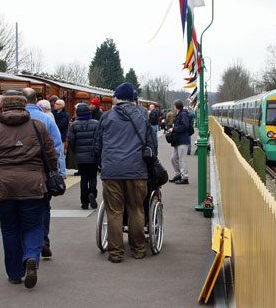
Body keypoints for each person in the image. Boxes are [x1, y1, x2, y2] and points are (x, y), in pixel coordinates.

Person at [0, 90, 57, 289]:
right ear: (24, 105)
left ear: (2, 106)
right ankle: (31, 256)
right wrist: (51, 176)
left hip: (3, 186)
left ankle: (15, 273)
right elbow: (51, 155)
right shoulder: (37, 126)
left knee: (10, 229)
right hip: (33, 184)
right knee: (33, 226)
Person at [95, 82, 156, 263]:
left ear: (117, 98)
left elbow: (97, 146)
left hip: (112, 172)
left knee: (114, 212)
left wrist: (102, 165)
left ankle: (116, 253)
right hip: (137, 172)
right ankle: (138, 249)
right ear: (132, 99)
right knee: (136, 209)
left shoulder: (106, 117)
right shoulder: (143, 117)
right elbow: (152, 146)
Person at [23, 88, 63, 259]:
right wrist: (58, 172)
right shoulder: (46, 119)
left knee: (20, 210)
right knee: (43, 207)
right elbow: (57, 147)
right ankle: (43, 240)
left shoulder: (7, 121)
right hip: (42, 173)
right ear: (35, 100)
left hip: (15, 175)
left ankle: (26, 247)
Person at [68, 103, 99, 210]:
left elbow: (71, 141)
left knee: (84, 179)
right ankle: (92, 193)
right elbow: (99, 139)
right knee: (93, 177)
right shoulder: (96, 123)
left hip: (80, 157)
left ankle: (84, 202)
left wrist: (76, 151)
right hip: (93, 156)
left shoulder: (74, 125)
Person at [168, 100, 190, 184]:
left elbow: (185, 126)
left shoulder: (183, 114)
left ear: (176, 106)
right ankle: (178, 174)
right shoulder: (178, 114)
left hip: (182, 140)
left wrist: (174, 129)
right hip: (177, 140)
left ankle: (185, 177)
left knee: (182, 159)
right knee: (173, 158)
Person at [54, 99, 69, 178]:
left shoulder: (65, 115)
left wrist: (54, 126)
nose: (54, 105)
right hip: (56, 136)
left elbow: (62, 125)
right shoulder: (54, 113)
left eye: (57, 104)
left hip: (61, 137)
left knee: (61, 155)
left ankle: (62, 172)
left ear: (61, 106)